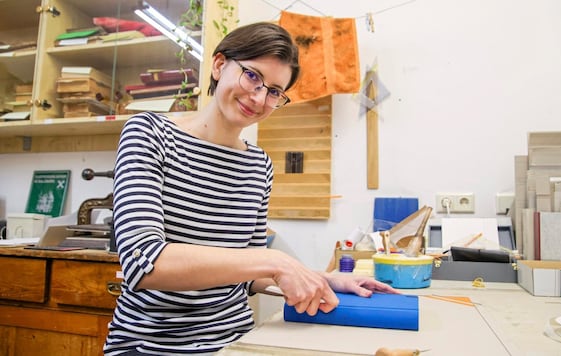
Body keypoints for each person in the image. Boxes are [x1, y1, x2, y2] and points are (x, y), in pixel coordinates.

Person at [103, 22, 398, 355]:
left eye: (274, 91)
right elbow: (144, 262)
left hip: (237, 342)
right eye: (253, 76)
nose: (258, 98)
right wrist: (275, 262)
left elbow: (250, 275)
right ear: (218, 65)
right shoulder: (150, 133)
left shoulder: (259, 165)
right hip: (152, 346)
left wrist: (324, 279)